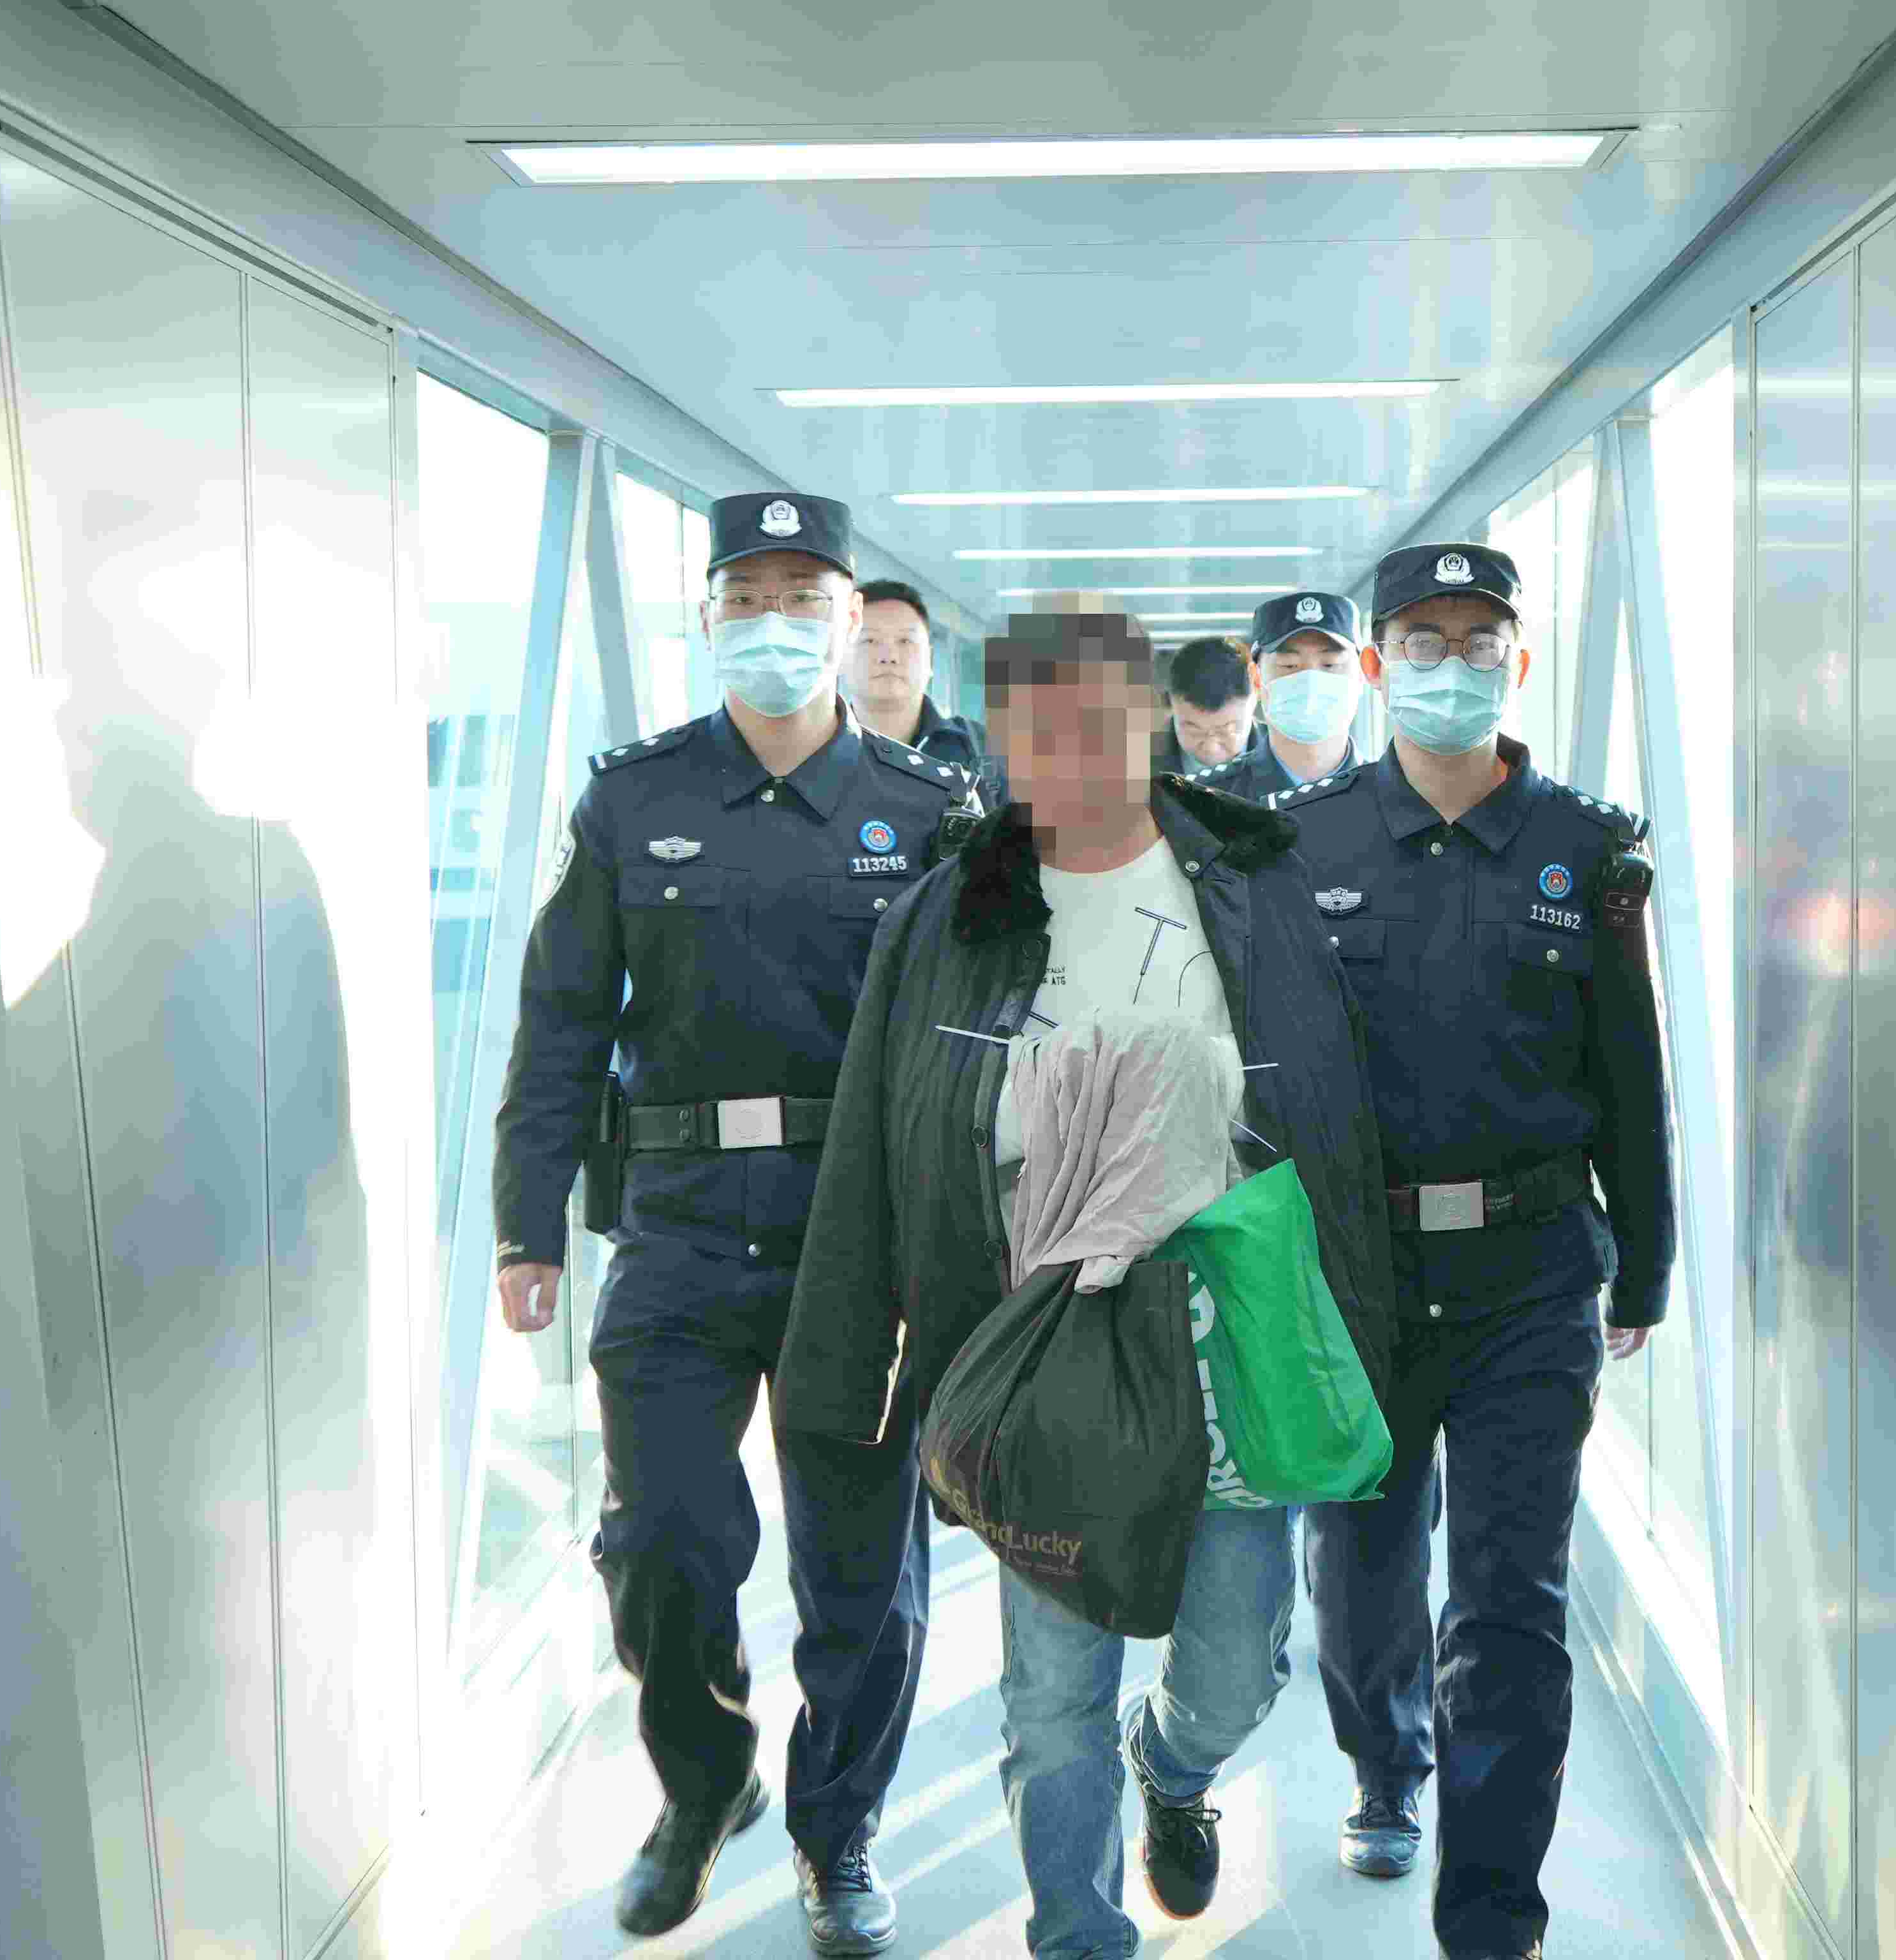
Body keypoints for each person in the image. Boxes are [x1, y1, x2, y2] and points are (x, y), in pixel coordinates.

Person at [776, 602, 1397, 1960]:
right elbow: (880, 1135)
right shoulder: (950, 911)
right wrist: (848, 1359)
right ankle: (1075, 1932)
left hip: (1223, 1326)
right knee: (1052, 1695)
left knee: (1234, 1665)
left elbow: (1334, 1116)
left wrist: (1362, 1323)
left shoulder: (1247, 881)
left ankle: (1173, 1764)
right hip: (1038, 1328)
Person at [490, 491, 979, 1954]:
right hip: (681, 1225)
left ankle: (839, 1833)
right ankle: (706, 1784)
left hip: (858, 1239)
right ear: (706, 616)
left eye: (801, 598)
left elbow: (975, 1049)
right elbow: (562, 1021)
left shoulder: (926, 811)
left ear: (850, 619)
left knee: (861, 1574)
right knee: (663, 1539)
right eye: (746, 598)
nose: (774, 624)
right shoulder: (632, 800)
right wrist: (527, 1222)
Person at [1271, 542, 1675, 1960]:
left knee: (1509, 1605)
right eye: (1423, 641)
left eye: (1479, 638)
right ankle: (1385, 1763)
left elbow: (1629, 1071)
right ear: (1376, 665)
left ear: (1519, 657)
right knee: (1360, 1573)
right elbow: (1262, 1077)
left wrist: (1646, 1264)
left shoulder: (1584, 845)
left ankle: (1493, 1920)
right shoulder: (1303, 846)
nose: (1453, 664)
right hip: (1359, 1283)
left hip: (1531, 1274)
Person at [1182, 590, 1367, 801]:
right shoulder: (1202, 800)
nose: (1310, 682)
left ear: (1361, 675)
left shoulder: (1392, 794)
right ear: (1256, 678)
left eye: (1330, 664)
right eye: (1289, 665)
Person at [851, 577, 989, 779]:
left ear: (930, 659)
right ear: (841, 656)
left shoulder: (983, 750)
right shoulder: (814, 748)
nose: (889, 657)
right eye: (870, 640)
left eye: (905, 641)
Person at [1150, 634, 1263, 776]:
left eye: (1228, 730)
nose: (1211, 749)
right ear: (1171, 704)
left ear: (1257, 690)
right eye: (1193, 730)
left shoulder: (1287, 758)